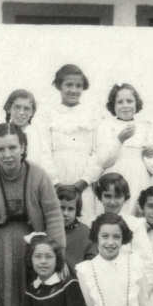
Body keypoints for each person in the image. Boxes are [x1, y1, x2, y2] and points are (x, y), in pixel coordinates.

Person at [0, 122, 65, 306]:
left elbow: (53, 214)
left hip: (35, 242)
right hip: (2, 244)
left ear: (23, 147)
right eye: (0, 149)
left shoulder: (38, 174)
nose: (7, 154)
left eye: (12, 147)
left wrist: (57, 251)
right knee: (3, 291)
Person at [43, 64, 100, 222]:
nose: (74, 90)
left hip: (83, 182)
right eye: (69, 85)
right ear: (59, 86)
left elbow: (97, 152)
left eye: (78, 86)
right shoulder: (48, 114)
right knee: (55, 223)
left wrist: (84, 182)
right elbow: (44, 151)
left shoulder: (92, 114)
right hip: (56, 179)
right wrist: (55, 183)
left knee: (85, 221)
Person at [96, 83, 153, 216]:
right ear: (113, 105)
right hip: (114, 175)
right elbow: (103, 161)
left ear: (136, 103)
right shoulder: (106, 126)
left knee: (135, 214)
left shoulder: (145, 126)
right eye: (120, 102)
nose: (125, 105)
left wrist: (152, 150)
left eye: (129, 101)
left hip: (139, 177)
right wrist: (119, 140)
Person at [93, 173, 153, 281]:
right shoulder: (91, 224)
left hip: (128, 280)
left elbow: (147, 263)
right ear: (100, 197)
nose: (112, 202)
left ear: (125, 198)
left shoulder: (134, 225)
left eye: (117, 197)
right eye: (107, 196)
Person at [3, 89, 57, 181]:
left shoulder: (38, 135)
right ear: (9, 109)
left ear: (32, 112)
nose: (21, 112)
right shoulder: (1, 134)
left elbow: (46, 164)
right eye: (17, 107)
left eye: (26, 108)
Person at [57, 185, 96, 269]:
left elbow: (92, 263)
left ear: (77, 210)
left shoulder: (86, 233)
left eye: (70, 209)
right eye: (62, 208)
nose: (65, 213)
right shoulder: (47, 230)